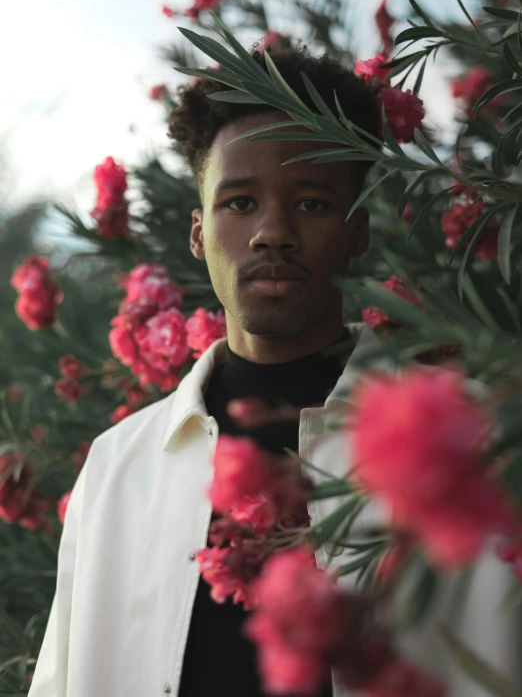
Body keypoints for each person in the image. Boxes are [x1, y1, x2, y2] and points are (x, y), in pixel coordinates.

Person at [28, 45, 518, 697]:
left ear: (359, 230)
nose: (272, 232)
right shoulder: (117, 470)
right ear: (198, 233)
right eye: (239, 203)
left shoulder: (474, 441)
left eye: (312, 203)